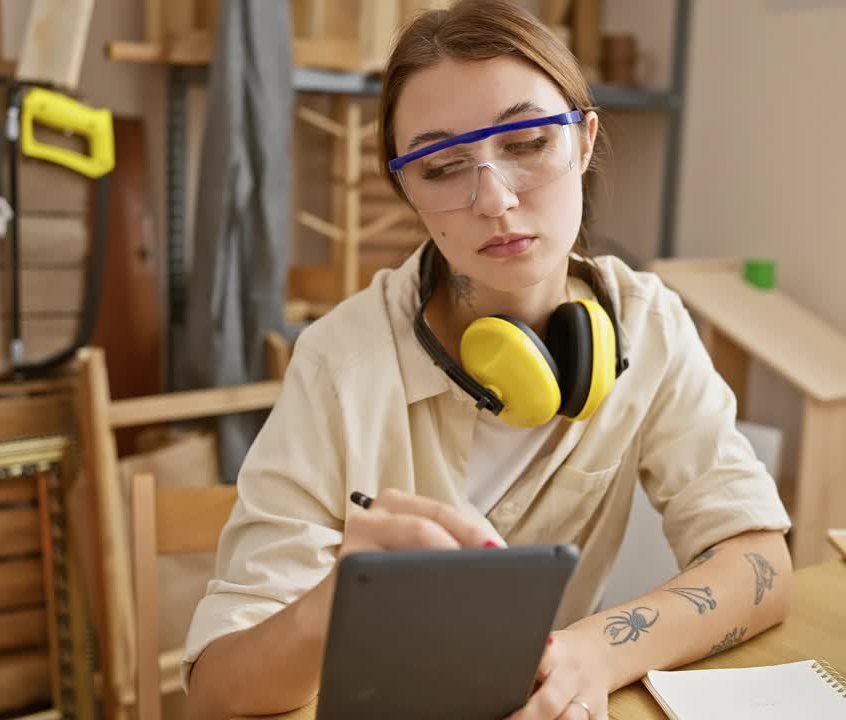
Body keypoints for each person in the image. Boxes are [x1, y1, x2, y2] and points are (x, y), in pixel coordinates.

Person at [184, 2, 793, 718]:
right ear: (409, 189)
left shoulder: (649, 325)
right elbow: (214, 694)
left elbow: (761, 565)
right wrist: (336, 602)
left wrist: (596, 652)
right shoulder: (337, 365)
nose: (496, 200)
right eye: (442, 165)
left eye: (530, 142)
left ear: (585, 139)